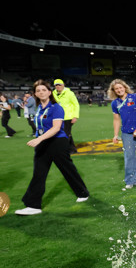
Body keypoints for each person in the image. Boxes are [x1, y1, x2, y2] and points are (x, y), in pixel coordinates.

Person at [15, 80, 89, 216]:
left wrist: (39, 139)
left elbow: (56, 128)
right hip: (43, 144)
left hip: (57, 143)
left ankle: (83, 193)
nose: (41, 92)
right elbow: (41, 127)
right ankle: (33, 205)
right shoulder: (39, 109)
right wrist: (39, 137)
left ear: (50, 92)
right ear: (35, 94)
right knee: (39, 173)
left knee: (67, 169)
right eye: (38, 91)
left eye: (44, 90)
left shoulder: (56, 107)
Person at [52, 79, 80, 154]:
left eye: (59, 85)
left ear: (63, 85)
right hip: (58, 117)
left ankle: (64, 150)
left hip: (68, 117)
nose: (58, 86)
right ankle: (72, 149)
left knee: (65, 133)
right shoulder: (53, 93)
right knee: (66, 133)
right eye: (56, 85)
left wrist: (75, 116)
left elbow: (76, 104)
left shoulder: (69, 93)